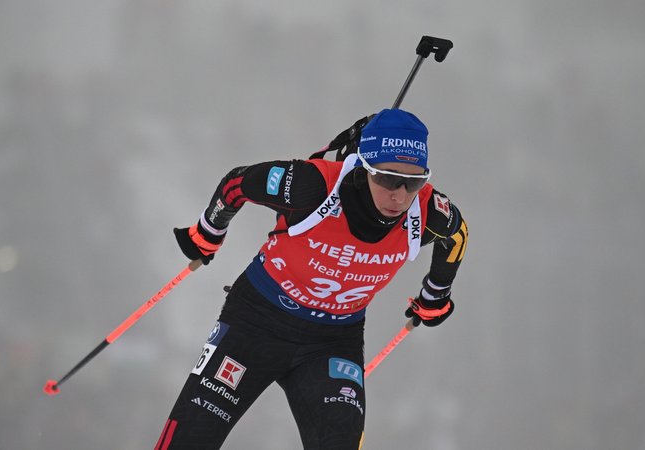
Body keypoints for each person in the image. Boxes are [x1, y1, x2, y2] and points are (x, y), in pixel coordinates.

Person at [155, 108, 468, 449]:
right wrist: (208, 231)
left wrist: (435, 296)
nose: (400, 196)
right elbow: (237, 183)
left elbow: (458, 236)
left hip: (333, 342)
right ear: (364, 167)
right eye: (389, 179)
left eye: (414, 182)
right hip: (256, 324)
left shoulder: (428, 212)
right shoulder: (311, 185)